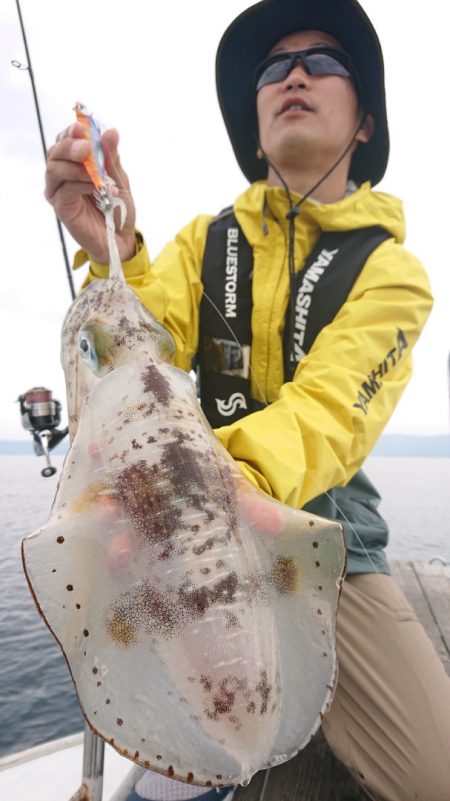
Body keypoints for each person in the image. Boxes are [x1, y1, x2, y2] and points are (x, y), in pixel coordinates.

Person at [45, 1, 450, 800]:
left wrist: (199, 494)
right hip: (185, 536)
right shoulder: (204, 243)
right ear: (255, 125)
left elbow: (331, 411)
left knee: (436, 775)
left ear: (365, 120)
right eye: (273, 68)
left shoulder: (392, 273)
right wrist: (116, 252)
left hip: (333, 546)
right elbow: (136, 352)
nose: (293, 74)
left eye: (322, 62)